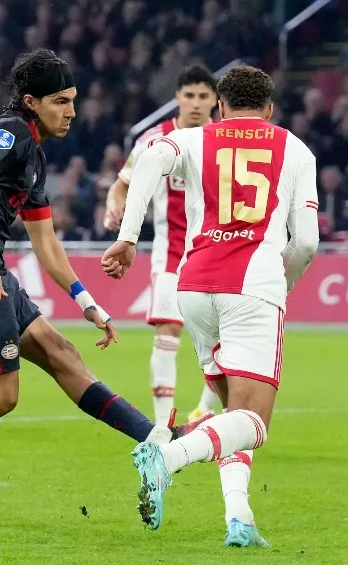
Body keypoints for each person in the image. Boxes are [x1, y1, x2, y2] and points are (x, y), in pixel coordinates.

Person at [0, 49, 203, 531]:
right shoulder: (11, 132)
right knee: (0, 394)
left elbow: (44, 239)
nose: (71, 111)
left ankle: (158, 440)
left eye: (73, 101)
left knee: (60, 351)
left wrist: (86, 302)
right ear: (31, 101)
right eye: (61, 101)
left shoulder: (34, 155)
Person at [102, 65, 320, 547]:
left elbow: (148, 162)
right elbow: (305, 242)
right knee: (255, 423)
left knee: (230, 418)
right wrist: (281, 282)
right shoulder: (295, 149)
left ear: (220, 106)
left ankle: (239, 519)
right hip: (253, 286)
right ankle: (169, 455)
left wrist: (127, 237)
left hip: (194, 284)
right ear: (270, 109)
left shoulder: (195, 139)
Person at [105, 65, 222, 427]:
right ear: (177, 98)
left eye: (204, 96)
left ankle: (204, 409)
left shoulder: (223, 138)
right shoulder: (154, 139)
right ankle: (163, 426)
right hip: (171, 255)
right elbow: (122, 183)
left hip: (218, 252)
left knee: (224, 338)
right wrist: (115, 204)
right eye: (189, 95)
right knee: (168, 331)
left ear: (215, 100)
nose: (196, 104)